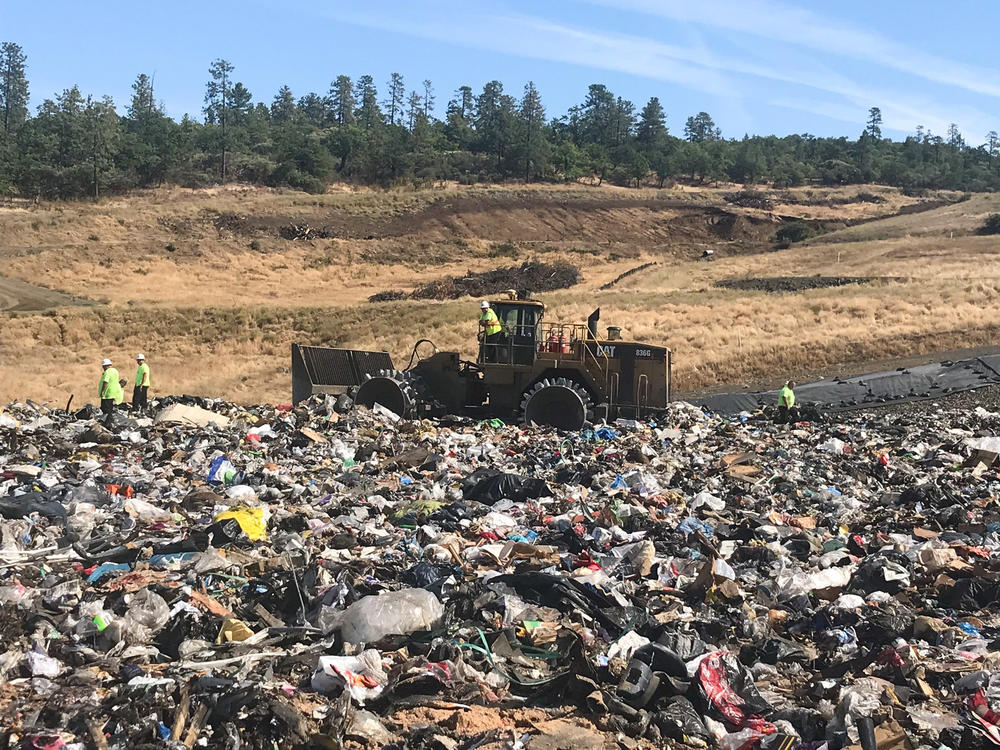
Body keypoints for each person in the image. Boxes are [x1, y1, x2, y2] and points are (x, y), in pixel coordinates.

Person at [98, 358, 124, 422]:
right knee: (110, 408)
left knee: (105, 408)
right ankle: (110, 420)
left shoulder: (107, 372)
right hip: (113, 392)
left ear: (106, 366)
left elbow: (105, 382)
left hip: (107, 393)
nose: (103, 368)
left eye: (103, 366)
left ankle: (108, 421)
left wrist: (102, 391)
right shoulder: (115, 371)